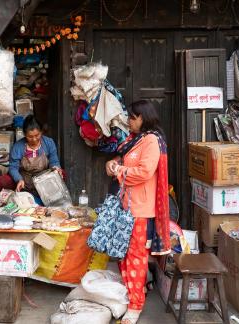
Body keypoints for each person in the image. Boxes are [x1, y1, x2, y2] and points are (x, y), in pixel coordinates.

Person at [105, 100, 170, 324]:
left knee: (135, 257)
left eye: (133, 117)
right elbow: (122, 158)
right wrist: (112, 164)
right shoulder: (134, 139)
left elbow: (144, 172)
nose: (129, 121)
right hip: (126, 206)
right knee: (123, 254)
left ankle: (135, 306)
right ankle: (130, 295)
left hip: (140, 210)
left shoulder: (151, 141)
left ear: (144, 118)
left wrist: (119, 170)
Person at [0, 115, 63, 197]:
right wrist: (19, 179)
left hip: (43, 180)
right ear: (24, 134)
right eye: (30, 136)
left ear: (41, 132)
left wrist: (56, 168)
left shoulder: (49, 142)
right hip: (24, 180)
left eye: (37, 135)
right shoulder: (18, 146)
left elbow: (54, 161)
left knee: (61, 174)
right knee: (2, 181)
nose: (34, 139)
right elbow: (13, 168)